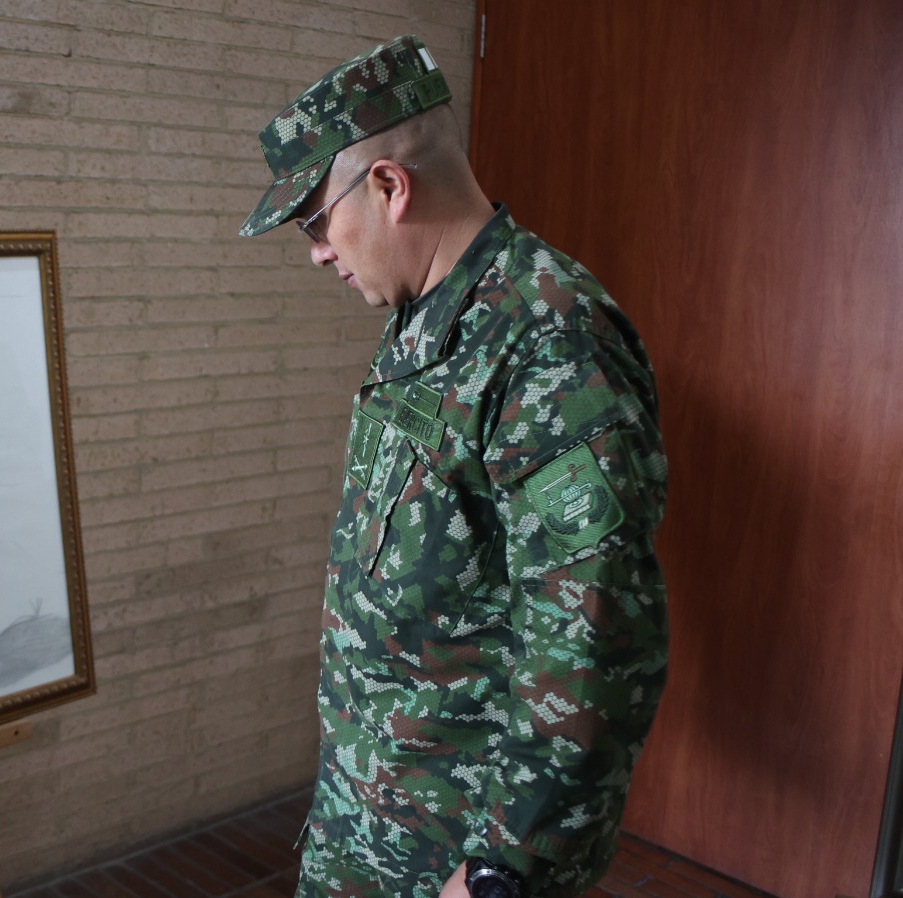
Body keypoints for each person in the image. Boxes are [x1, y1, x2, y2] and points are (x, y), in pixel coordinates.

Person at [238, 36, 668, 898]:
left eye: (316, 220)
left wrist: (504, 870)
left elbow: (591, 635)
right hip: (369, 819)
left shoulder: (548, 341)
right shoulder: (426, 317)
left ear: (390, 188)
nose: (316, 251)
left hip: (458, 854)